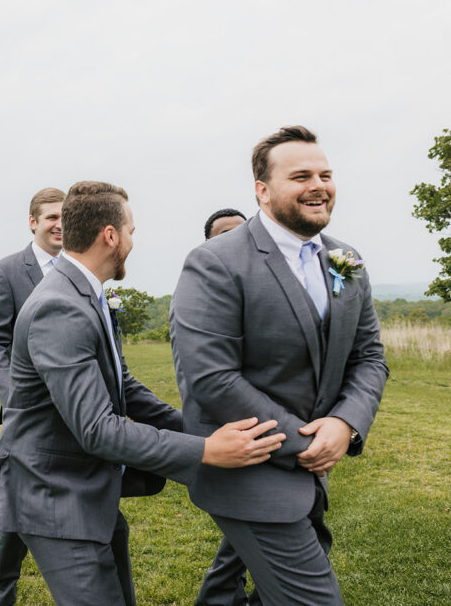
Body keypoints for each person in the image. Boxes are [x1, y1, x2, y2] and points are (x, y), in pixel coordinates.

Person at [0, 181, 286, 606]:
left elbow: (124, 386)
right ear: (110, 235)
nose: (133, 240)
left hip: (91, 490)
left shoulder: (85, 293)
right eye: (131, 230)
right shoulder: (59, 306)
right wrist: (205, 450)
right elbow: (98, 429)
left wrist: (199, 429)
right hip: (55, 499)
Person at [171, 126, 389, 605]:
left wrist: (345, 422)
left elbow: (369, 355)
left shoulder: (344, 258)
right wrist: (307, 440)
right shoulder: (216, 262)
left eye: (325, 174)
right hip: (250, 471)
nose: (318, 185)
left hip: (312, 471)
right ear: (262, 191)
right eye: (301, 176)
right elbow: (212, 377)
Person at [0, 187, 64, 606]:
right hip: (25, 412)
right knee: (17, 507)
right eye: (51, 217)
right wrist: (17, 398)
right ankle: (1, 592)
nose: (60, 224)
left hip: (81, 409)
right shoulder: (8, 270)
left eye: (66, 216)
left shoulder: (84, 267)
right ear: (33, 222)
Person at [193, 207, 250, 606]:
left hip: (280, 424)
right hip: (227, 428)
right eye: (224, 234)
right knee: (255, 526)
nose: (234, 239)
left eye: (242, 232)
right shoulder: (201, 291)